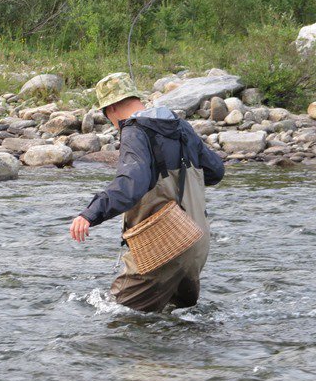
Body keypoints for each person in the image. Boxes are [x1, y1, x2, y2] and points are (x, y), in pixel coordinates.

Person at [69, 72, 225, 312]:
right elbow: (215, 171)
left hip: (163, 247)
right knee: (180, 322)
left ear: (110, 109)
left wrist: (90, 213)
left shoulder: (134, 131)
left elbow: (132, 182)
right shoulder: (181, 127)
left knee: (115, 315)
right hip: (197, 244)